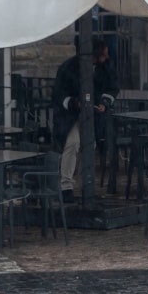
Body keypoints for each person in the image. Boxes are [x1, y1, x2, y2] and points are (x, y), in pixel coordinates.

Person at [52, 37, 119, 203]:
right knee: (73, 143)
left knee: (90, 146)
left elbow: (113, 87)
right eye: (104, 55)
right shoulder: (68, 68)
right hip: (71, 116)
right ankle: (66, 186)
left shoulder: (105, 68)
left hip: (93, 115)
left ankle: (85, 185)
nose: (107, 58)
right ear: (95, 55)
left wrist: (104, 102)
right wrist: (74, 103)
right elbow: (59, 94)